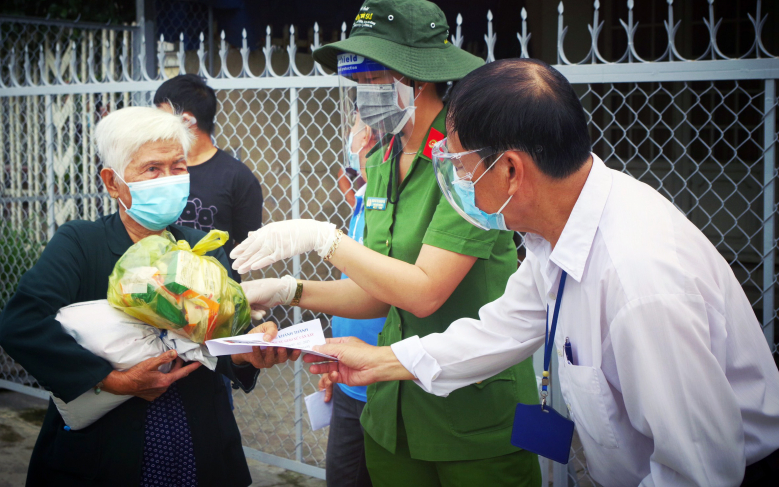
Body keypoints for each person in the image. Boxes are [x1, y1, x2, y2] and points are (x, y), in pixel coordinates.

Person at [302, 59, 779, 487]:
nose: (459, 185)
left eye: (463, 168)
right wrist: (381, 361)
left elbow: (700, 472)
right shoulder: (558, 233)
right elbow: (502, 329)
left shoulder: (639, 281)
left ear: (511, 170)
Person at [231, 0, 542, 486]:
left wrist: (321, 238)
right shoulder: (381, 158)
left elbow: (422, 292)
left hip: (469, 415)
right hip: (391, 408)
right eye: (356, 83)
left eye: (372, 81)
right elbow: (379, 295)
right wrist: (288, 291)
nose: (362, 96)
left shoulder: (470, 158)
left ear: (416, 80)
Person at [0, 107, 299, 486]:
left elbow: (223, 345)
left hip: (199, 443)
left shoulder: (202, 248)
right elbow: (21, 325)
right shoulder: (80, 243)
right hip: (105, 451)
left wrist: (245, 353)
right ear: (112, 182)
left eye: (178, 167)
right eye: (152, 169)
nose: (169, 180)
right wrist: (110, 379)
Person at [320, 115, 383, 487]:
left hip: (386, 378)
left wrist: (291, 290)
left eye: (355, 124)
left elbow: (380, 295)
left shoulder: (397, 203)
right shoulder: (362, 198)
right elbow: (353, 288)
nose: (352, 132)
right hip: (348, 379)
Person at [154, 74, 263, 279]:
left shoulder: (238, 177)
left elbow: (246, 246)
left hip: (216, 293)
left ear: (187, 121)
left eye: (161, 115)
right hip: (158, 285)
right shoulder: (155, 172)